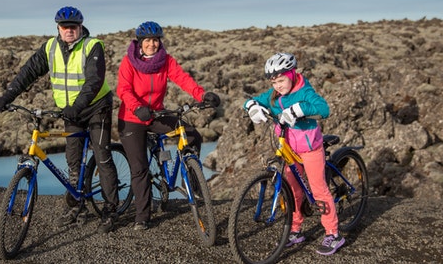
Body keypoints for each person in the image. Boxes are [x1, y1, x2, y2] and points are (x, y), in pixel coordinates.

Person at [0, 6, 119, 233]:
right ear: (58, 28)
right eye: (64, 27)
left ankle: (110, 209)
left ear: (81, 27)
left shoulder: (93, 46)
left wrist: (77, 106)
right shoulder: (50, 47)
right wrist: (7, 96)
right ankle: (75, 206)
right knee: (73, 160)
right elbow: (28, 72)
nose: (69, 30)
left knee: (102, 156)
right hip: (70, 111)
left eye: (73, 27)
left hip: (96, 107)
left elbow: (94, 80)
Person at [116, 21, 220, 230]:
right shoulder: (128, 62)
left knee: (192, 136)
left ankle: (190, 179)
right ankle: (142, 216)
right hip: (132, 118)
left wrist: (202, 94)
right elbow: (123, 90)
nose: (152, 44)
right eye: (147, 40)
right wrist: (137, 108)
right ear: (140, 42)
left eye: (155, 40)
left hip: (156, 114)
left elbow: (183, 79)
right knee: (140, 169)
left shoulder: (166, 61)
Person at [243, 53, 344, 255]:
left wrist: (299, 109)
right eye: (274, 82)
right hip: (288, 147)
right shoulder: (274, 94)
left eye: (281, 80)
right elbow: (252, 100)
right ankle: (296, 230)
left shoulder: (304, 90)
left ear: (291, 74)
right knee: (293, 191)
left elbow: (323, 108)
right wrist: (252, 107)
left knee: (318, 190)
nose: (278, 86)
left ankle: (333, 234)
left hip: (310, 147)